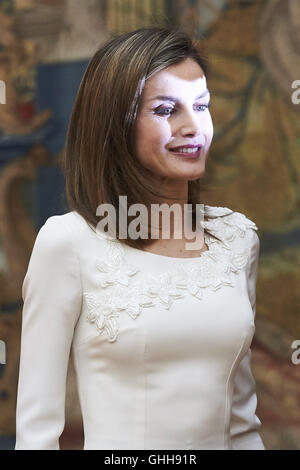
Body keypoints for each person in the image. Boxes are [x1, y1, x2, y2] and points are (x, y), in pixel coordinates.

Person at [15, 26, 265, 450]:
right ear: (115, 124)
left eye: (201, 106)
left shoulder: (237, 239)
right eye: (167, 110)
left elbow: (242, 421)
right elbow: (37, 433)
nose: (193, 127)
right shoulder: (68, 243)